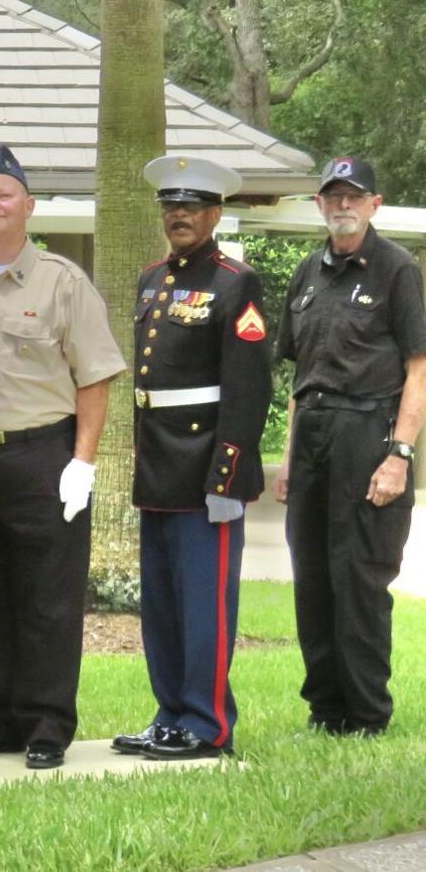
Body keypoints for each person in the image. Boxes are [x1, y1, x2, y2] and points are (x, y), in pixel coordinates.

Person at [0, 146, 125, 770]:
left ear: (28, 207)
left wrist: (83, 462)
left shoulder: (62, 282)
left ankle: (46, 724)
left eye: (4, 195)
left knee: (48, 597)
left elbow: (94, 376)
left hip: (42, 456)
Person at [112, 156, 270, 762]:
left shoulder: (235, 282)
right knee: (163, 602)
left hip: (207, 463)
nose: (178, 215)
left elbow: (248, 387)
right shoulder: (152, 278)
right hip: (159, 463)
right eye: (170, 206)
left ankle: (207, 725)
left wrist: (226, 473)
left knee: (204, 602)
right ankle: (170, 713)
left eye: (192, 206)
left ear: (215, 213)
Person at [272, 156, 426, 738]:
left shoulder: (397, 269)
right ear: (320, 205)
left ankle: (366, 715)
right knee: (311, 575)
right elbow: (299, 377)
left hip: (368, 434)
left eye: (353, 196)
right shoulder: (307, 272)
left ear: (373, 205)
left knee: (358, 576)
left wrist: (400, 455)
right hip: (312, 432)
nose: (342, 205)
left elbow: (419, 368)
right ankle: (326, 710)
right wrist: (287, 460)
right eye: (332, 196)